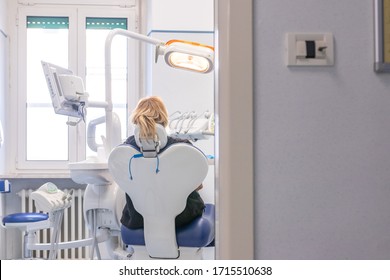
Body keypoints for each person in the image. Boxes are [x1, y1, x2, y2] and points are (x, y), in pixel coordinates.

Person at [120, 96, 206, 229]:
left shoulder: (125, 149)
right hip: (181, 218)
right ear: (164, 119)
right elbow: (198, 185)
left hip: (137, 219)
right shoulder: (182, 148)